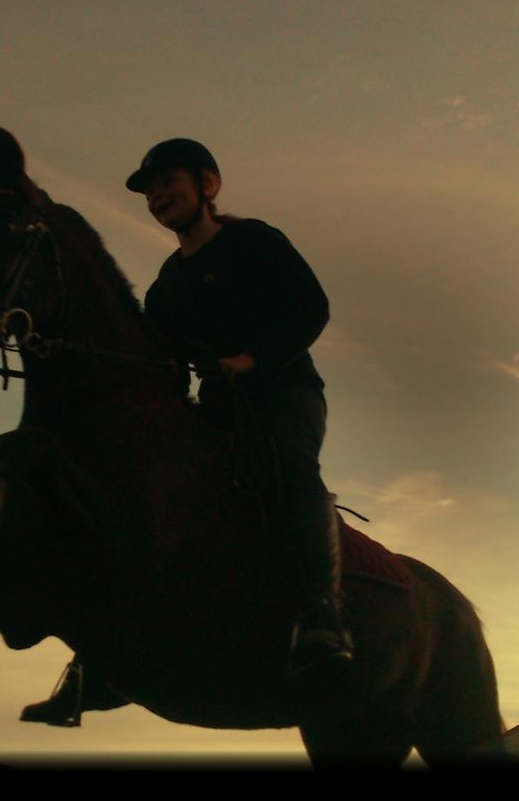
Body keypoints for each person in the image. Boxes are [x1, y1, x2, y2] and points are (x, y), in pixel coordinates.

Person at [20, 139, 351, 728]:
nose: (156, 196)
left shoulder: (254, 241)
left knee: (293, 472)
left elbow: (311, 308)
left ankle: (324, 614)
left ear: (208, 185)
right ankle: (95, 657)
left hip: (284, 394)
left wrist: (250, 361)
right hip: (217, 410)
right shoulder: (165, 287)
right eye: (149, 190)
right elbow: (159, 365)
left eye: (166, 182)